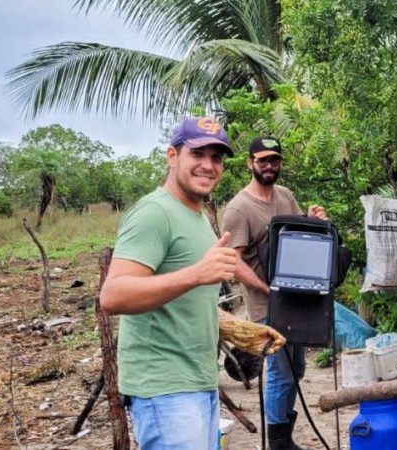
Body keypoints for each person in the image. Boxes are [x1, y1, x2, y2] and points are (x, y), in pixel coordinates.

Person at [100, 117, 245, 449]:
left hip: (198, 382)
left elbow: (186, 299)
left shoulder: (195, 215)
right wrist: (197, 273)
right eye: (198, 154)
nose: (208, 166)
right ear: (172, 156)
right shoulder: (154, 213)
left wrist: (238, 329)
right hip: (165, 390)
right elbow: (113, 294)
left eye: (217, 157)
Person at [222, 136, 327, 450]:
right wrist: (262, 286)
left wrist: (312, 220)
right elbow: (232, 260)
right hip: (266, 305)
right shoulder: (239, 208)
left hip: (295, 300)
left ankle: (285, 437)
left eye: (274, 160)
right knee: (281, 372)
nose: (269, 166)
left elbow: (297, 235)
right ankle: (278, 444)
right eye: (262, 160)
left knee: (298, 368)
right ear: (250, 163)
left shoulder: (284, 195)